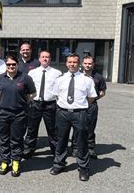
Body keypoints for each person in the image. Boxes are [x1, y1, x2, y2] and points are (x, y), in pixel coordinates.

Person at [50, 54, 97, 182]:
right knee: (61, 139)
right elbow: (56, 95)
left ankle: (83, 168)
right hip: (63, 113)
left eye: (75, 62)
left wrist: (80, 106)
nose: (72, 64)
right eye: (70, 62)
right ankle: (59, 164)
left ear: (79, 63)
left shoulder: (87, 80)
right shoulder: (60, 79)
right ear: (66, 63)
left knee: (81, 141)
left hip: (79, 113)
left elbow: (92, 97)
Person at [0, 55, 36, 177]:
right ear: (5, 65)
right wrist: (1, 99)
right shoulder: (0, 78)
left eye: (13, 64)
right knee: (4, 139)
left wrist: (24, 101)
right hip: (3, 113)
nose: (11, 66)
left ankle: (16, 161)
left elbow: (33, 93)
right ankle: (5, 162)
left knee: (16, 139)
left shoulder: (25, 78)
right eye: (8, 65)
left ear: (17, 65)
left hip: (19, 114)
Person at [23, 50, 61, 158]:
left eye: (47, 57)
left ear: (50, 59)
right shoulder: (32, 73)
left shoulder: (57, 73)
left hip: (50, 104)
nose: (45, 59)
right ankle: (28, 150)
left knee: (52, 129)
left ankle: (56, 151)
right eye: (43, 57)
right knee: (32, 128)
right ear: (39, 59)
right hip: (35, 104)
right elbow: (28, 89)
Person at [71, 55, 107, 159]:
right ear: (82, 64)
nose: (87, 65)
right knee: (77, 127)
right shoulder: (76, 76)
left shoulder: (98, 77)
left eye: (90, 63)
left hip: (91, 106)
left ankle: (90, 148)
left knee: (90, 127)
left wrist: (93, 99)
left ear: (93, 64)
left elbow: (102, 92)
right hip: (78, 105)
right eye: (86, 63)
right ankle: (75, 148)